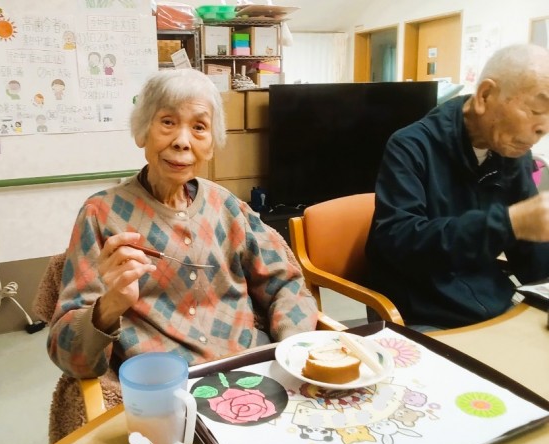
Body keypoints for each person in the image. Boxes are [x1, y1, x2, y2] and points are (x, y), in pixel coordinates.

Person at [47, 68, 318, 383]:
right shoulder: (101, 215)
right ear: (141, 132)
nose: (182, 142)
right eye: (167, 122)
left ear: (212, 145)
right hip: (166, 387)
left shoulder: (227, 206)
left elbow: (287, 284)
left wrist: (290, 350)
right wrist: (110, 305)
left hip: (251, 368)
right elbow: (70, 357)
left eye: (199, 127)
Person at [365, 43, 549, 330]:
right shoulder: (411, 145)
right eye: (536, 110)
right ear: (485, 96)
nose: (543, 128)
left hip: (489, 304)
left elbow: (530, 255)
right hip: (422, 309)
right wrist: (509, 223)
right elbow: (398, 242)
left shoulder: (512, 152)